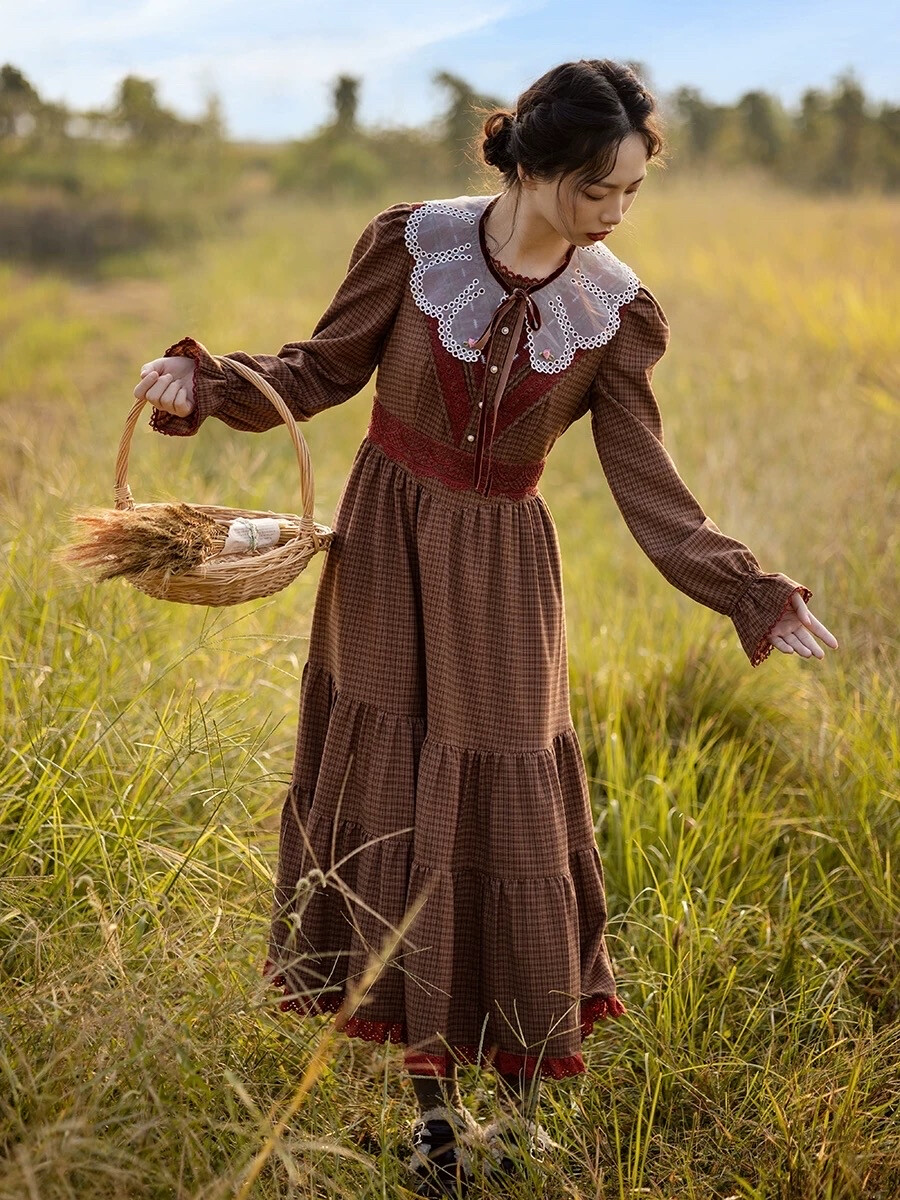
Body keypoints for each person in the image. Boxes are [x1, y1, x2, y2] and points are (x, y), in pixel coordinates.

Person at [133, 58, 838, 1196]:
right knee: (398, 808)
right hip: (384, 553)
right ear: (542, 167)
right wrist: (207, 384)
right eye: (600, 190)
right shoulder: (413, 245)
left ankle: (516, 1109)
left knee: (503, 805)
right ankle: (433, 1122)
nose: (615, 215)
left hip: (505, 575)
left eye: (630, 197)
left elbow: (646, 482)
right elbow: (317, 372)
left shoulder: (615, 308)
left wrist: (748, 589)